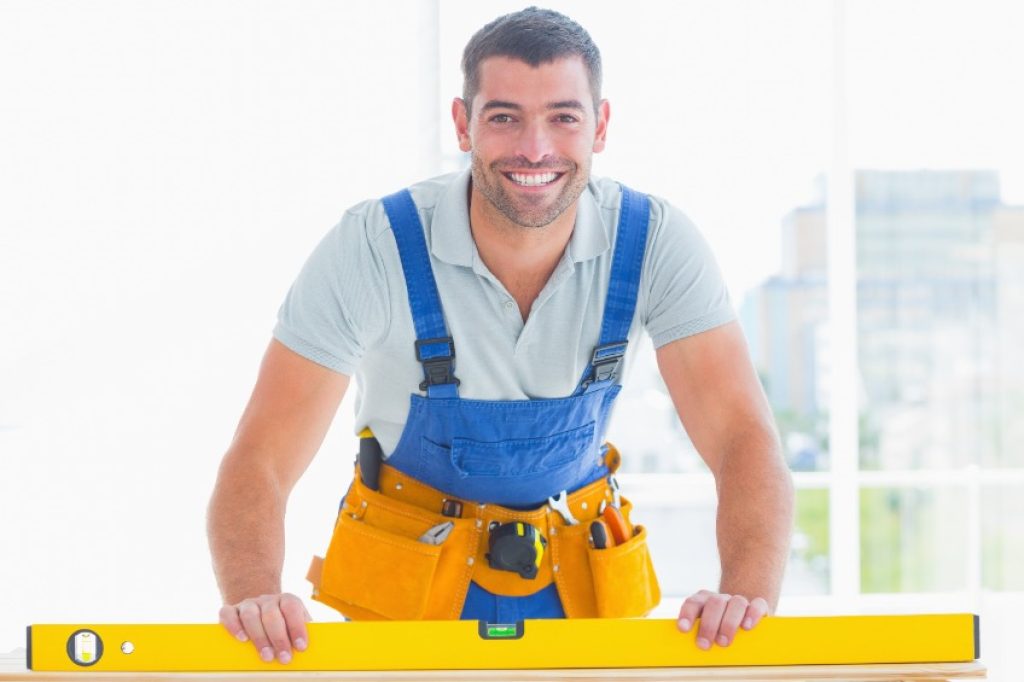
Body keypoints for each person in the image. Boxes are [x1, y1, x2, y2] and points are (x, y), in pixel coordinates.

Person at [207, 6, 793, 667]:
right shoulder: (374, 246)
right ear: (464, 124)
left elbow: (742, 438)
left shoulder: (653, 240)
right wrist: (256, 597)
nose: (535, 149)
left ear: (600, 127)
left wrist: (746, 601)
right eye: (504, 117)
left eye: (564, 117)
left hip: (579, 587)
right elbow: (260, 457)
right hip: (406, 589)